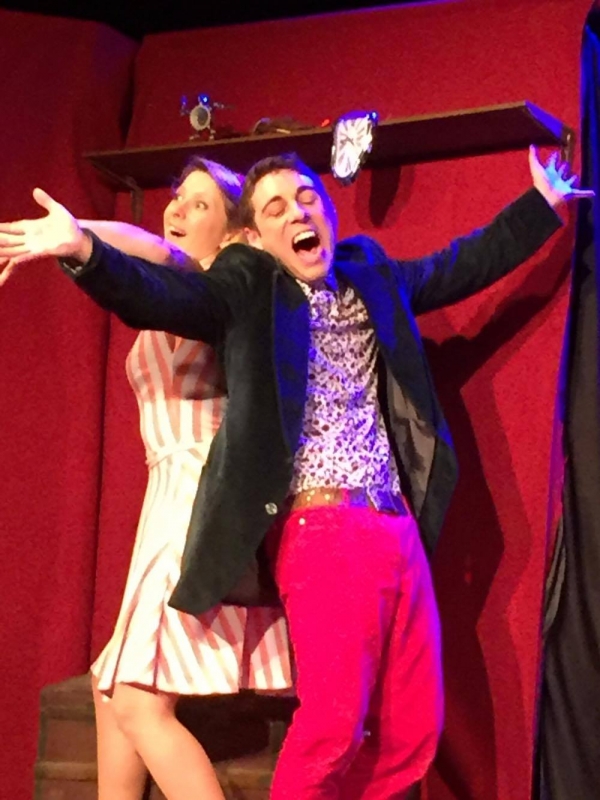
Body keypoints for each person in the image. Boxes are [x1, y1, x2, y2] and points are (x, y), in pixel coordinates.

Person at [0, 147, 590, 800]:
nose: (297, 213)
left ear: (329, 214)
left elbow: (459, 266)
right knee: (331, 725)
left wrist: (541, 205)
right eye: (276, 208)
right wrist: (83, 251)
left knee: (411, 731)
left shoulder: (369, 275)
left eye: (307, 199)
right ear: (254, 237)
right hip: (322, 528)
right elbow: (161, 294)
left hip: (396, 528)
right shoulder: (250, 290)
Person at [0, 157, 292, 800]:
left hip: (197, 491)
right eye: (176, 197)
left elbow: (157, 250)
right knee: (112, 688)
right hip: (167, 494)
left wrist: (77, 237)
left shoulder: (217, 286)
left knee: (136, 701)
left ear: (235, 233)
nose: (176, 209)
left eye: (198, 203)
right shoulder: (179, 291)